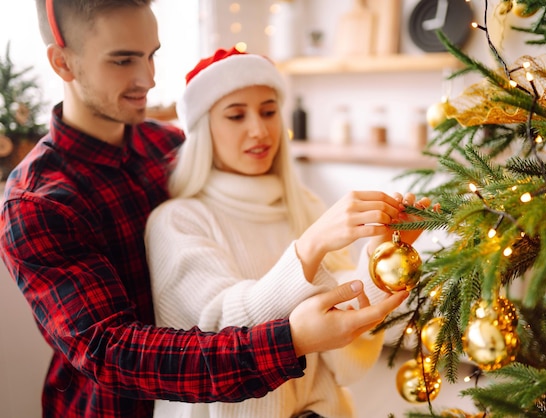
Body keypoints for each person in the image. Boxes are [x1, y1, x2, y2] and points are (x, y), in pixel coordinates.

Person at [0, 1, 410, 417]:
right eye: (122, 60)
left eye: (152, 54)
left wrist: (379, 257)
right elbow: (113, 352)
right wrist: (290, 340)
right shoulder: (37, 202)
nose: (148, 78)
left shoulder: (170, 148)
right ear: (62, 62)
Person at [145, 47, 431, 418]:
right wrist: (308, 250)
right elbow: (221, 338)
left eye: (268, 111)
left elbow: (345, 355)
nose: (259, 130)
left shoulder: (305, 205)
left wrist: (380, 257)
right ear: (202, 128)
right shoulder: (177, 221)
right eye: (236, 115)